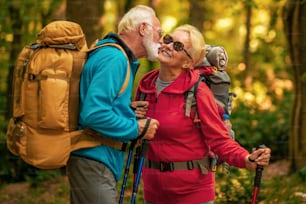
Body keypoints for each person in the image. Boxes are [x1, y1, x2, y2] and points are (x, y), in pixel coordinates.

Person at [135, 24, 271, 204]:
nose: (167, 45)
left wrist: (246, 159)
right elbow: (135, 132)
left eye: (177, 46)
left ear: (188, 63)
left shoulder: (198, 92)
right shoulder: (146, 87)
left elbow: (219, 140)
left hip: (193, 194)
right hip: (153, 193)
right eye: (168, 39)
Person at [66, 5, 162, 204]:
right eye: (159, 33)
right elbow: (93, 114)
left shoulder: (110, 53)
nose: (160, 41)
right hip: (95, 159)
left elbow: (99, 104)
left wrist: (125, 110)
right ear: (143, 29)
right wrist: (136, 128)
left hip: (94, 160)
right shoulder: (115, 58)